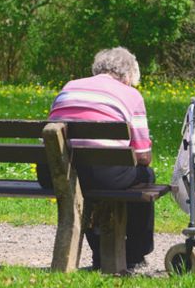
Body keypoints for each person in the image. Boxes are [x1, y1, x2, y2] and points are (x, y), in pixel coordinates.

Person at [36, 47, 155, 271]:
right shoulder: (131, 95)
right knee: (146, 176)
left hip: (55, 172)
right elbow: (143, 157)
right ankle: (135, 253)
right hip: (102, 175)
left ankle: (100, 254)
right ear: (128, 75)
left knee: (87, 183)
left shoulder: (69, 87)